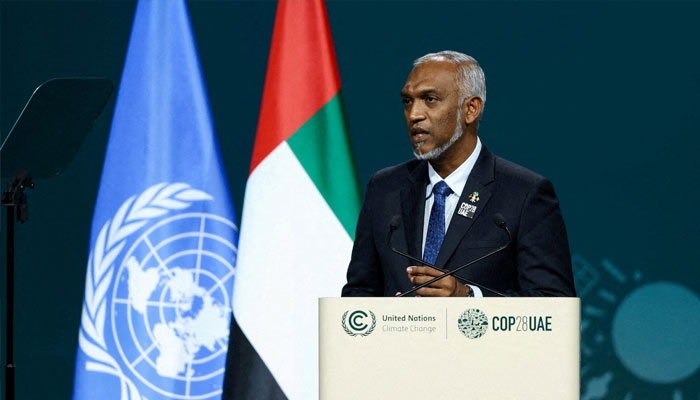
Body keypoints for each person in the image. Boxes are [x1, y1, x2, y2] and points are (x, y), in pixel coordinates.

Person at [341, 51, 576, 297]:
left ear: (471, 109)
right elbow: (360, 291)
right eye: (407, 101)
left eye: (430, 99)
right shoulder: (384, 188)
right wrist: (388, 316)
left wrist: (468, 298)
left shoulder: (524, 193)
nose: (414, 115)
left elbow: (554, 304)